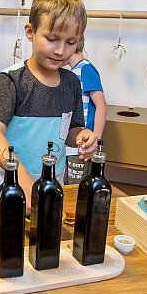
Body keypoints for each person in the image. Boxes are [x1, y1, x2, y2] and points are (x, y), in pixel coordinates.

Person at [0, 0, 99, 294]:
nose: (61, 50)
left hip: (49, 195)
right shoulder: (11, 81)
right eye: (52, 38)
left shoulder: (71, 85)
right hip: (11, 192)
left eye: (71, 42)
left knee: (46, 265)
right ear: (30, 32)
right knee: (3, 267)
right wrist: (25, 179)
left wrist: (82, 136)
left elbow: (69, 129)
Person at [64, 34, 107, 184]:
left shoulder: (86, 69)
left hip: (83, 142)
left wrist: (96, 139)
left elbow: (101, 105)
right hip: (71, 141)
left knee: (78, 186)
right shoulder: (70, 72)